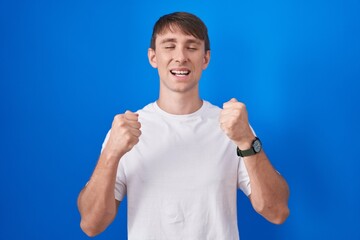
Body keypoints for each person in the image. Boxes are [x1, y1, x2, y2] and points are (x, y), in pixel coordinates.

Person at [77, 12, 290, 239]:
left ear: (205, 59)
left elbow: (276, 212)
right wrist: (111, 152)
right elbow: (91, 224)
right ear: (153, 57)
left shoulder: (234, 128)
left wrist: (248, 140)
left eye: (191, 47)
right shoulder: (126, 131)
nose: (180, 57)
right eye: (169, 46)